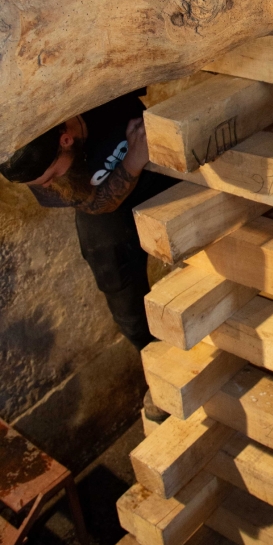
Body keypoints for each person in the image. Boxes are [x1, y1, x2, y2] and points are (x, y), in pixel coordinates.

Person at [0, 92, 173, 420]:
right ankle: (159, 368)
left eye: (51, 176)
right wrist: (133, 159)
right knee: (113, 274)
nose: (48, 186)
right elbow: (95, 203)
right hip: (111, 203)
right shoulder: (36, 165)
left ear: (66, 139)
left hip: (161, 173)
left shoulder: (101, 101)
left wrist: (146, 152)